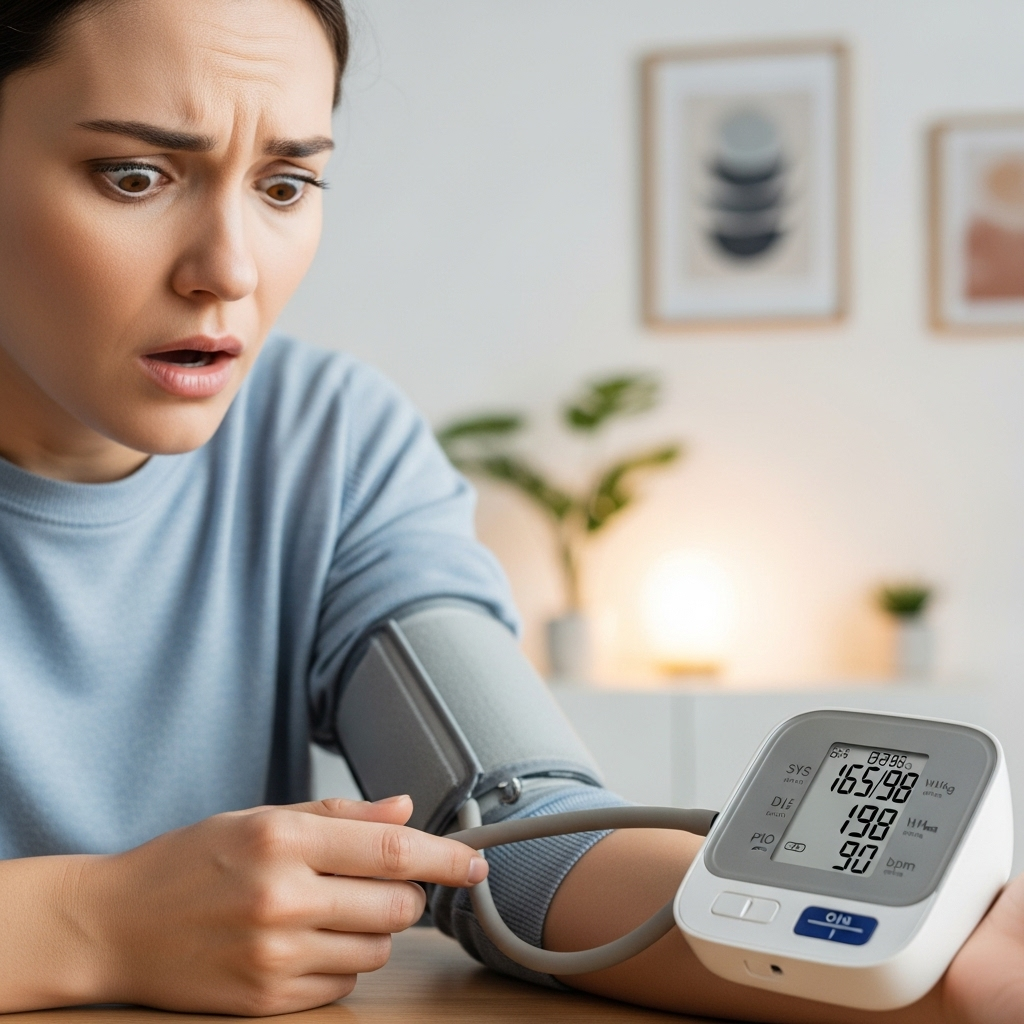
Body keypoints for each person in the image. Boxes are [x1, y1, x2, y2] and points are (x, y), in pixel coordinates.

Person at [0, 1, 1019, 1020]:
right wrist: (92, 920)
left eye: (285, 184)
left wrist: (935, 968)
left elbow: (517, 837)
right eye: (134, 176)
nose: (227, 269)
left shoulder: (327, 440)